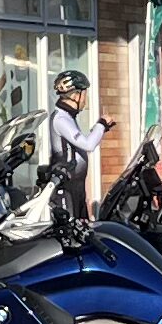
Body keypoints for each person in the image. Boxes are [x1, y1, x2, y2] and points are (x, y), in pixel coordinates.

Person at [44, 71, 103, 221]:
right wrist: (101, 125)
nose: (85, 100)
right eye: (85, 95)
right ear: (76, 95)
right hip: (66, 187)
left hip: (76, 186)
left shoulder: (68, 117)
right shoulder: (61, 119)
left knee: (83, 229)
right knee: (70, 230)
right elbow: (88, 145)